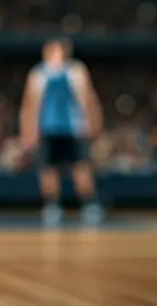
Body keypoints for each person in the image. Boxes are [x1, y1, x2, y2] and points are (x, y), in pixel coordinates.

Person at [19, 38, 105, 226]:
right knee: (48, 169)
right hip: (47, 129)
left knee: (81, 167)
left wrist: (94, 122)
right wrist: (28, 132)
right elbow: (30, 104)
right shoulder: (38, 74)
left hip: (74, 128)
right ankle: (52, 205)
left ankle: (89, 203)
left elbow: (88, 97)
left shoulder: (76, 70)